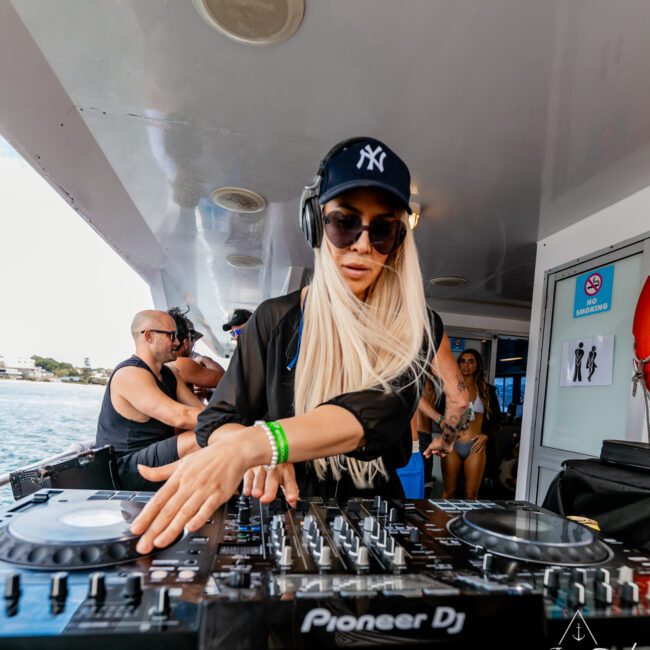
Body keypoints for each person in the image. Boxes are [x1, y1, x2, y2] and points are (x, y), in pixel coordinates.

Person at [131, 137, 469, 553]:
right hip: (285, 505)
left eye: (382, 229)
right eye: (344, 222)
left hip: (377, 508)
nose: (362, 244)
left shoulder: (416, 325)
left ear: (399, 240)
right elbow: (215, 421)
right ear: (315, 222)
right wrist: (261, 449)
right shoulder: (275, 319)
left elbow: (379, 410)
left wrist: (259, 443)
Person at [95, 310, 204, 490]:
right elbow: (182, 416)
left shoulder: (169, 374)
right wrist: (244, 430)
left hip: (154, 457)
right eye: (171, 336)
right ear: (149, 336)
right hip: (127, 470)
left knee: (213, 436)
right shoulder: (130, 374)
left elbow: (200, 410)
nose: (177, 342)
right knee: (198, 439)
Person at [422, 348, 501, 499]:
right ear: (458, 365)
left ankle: (466, 522)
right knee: (449, 492)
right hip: (453, 444)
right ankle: (446, 522)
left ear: (477, 365)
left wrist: (487, 436)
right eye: (463, 362)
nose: (466, 365)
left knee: (471, 494)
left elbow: (497, 421)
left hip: (475, 446)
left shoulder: (486, 390)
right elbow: (438, 415)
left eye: (471, 362)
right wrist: (447, 427)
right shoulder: (450, 390)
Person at [167, 307, 225, 399]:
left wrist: (206, 393)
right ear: (186, 343)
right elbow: (225, 380)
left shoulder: (159, 363)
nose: (193, 343)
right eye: (193, 339)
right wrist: (204, 359)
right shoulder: (182, 363)